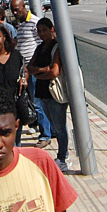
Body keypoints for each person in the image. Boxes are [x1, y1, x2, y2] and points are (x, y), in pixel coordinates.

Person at [28, 18, 71, 172]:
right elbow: (30, 67)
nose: (41, 33)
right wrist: (43, 70)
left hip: (55, 92)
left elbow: (55, 71)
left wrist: (41, 72)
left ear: (51, 29)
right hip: (42, 91)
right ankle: (62, 155)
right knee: (54, 124)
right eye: (39, 31)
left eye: (44, 30)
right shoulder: (39, 48)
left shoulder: (56, 47)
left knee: (60, 127)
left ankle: (63, 156)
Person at [11, 0, 52, 147]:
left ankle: (45, 134)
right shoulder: (20, 25)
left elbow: (41, 44)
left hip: (34, 71)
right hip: (25, 71)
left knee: (37, 103)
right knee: (32, 102)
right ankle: (48, 130)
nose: (15, 13)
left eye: (17, 9)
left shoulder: (34, 22)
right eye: (12, 10)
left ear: (24, 7)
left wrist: (35, 66)